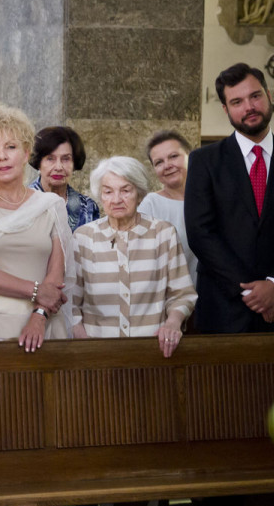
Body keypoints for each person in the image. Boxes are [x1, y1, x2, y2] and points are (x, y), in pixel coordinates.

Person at [183, 63, 274, 334]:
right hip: (224, 306)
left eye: (255, 96)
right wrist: (252, 293)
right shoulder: (204, 161)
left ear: (269, 95)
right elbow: (201, 234)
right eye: (237, 101)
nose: (249, 107)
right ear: (226, 109)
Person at [0, 106, 75, 349]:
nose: (2, 156)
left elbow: (56, 272)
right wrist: (36, 291)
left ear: (26, 152)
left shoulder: (51, 204)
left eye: (11, 147)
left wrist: (39, 316)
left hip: (45, 319)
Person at [69, 155, 195, 357]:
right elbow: (70, 300)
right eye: (108, 191)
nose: (116, 199)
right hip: (96, 351)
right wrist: (83, 341)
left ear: (140, 193)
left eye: (125, 190)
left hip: (153, 349)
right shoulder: (83, 237)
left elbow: (182, 294)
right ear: (100, 195)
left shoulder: (163, 234)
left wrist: (173, 322)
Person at [138, 129, 199, 285]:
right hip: (170, 300)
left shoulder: (211, 199)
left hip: (213, 298)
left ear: (190, 156)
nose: (167, 165)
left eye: (173, 156)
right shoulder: (151, 205)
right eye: (159, 162)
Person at [29, 124, 99, 231]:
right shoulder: (21, 203)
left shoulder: (88, 208)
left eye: (66, 159)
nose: (58, 167)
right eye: (50, 159)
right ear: (38, 162)